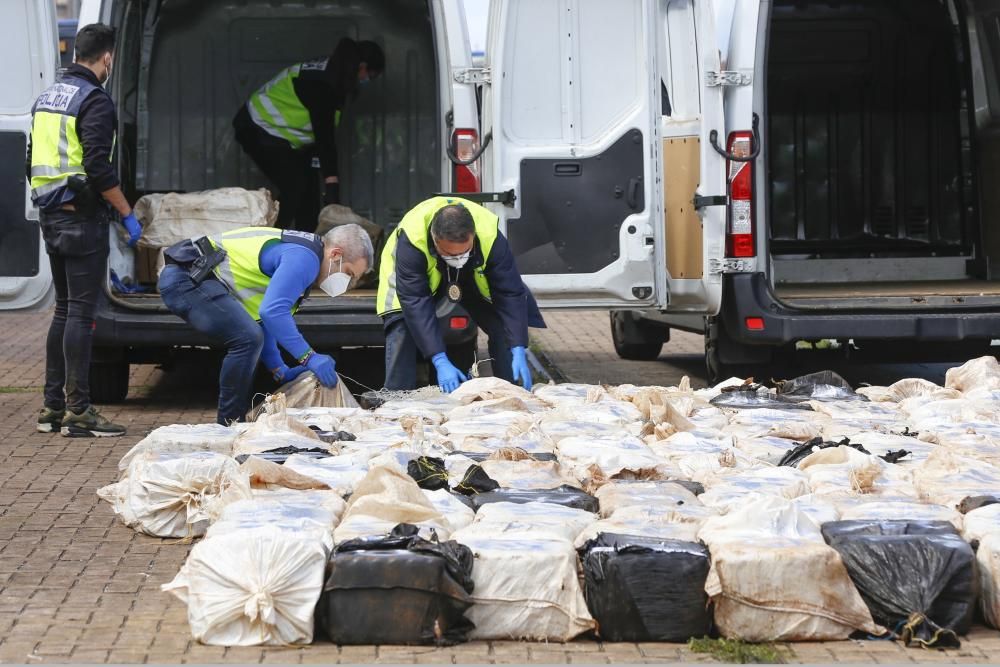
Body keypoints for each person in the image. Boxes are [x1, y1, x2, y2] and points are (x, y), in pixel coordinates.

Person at [29, 23, 143, 437]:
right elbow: (98, 164)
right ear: (107, 57)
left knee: (64, 308)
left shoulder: (49, 97)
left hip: (52, 212)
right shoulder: (94, 100)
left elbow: (32, 155)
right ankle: (79, 412)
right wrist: (127, 213)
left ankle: (52, 408)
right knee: (80, 310)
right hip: (79, 218)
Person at [158, 224, 373, 425]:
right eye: (348, 274)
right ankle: (228, 426)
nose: (348, 283)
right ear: (335, 254)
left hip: (196, 277)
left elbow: (263, 319)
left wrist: (278, 367)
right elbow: (273, 312)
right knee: (247, 339)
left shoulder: (304, 254)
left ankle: (232, 423)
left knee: (250, 335)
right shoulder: (305, 259)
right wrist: (309, 357)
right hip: (187, 277)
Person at [377, 196, 545, 393]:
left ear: (472, 236)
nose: (458, 259)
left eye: (463, 252)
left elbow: (509, 292)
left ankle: (511, 393)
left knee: (504, 326)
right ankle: (397, 402)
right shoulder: (413, 239)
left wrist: (518, 346)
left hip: (470, 277)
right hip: (418, 284)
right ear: (434, 238)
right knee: (403, 328)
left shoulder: (490, 234)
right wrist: (439, 359)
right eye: (450, 254)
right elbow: (415, 301)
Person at [233, 38, 385, 232]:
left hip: (279, 135)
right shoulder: (323, 85)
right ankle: (270, 238)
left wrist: (323, 179)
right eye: (369, 75)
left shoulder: (335, 75)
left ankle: (306, 239)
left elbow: (317, 136)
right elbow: (325, 138)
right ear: (361, 66)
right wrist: (332, 186)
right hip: (256, 126)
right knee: (294, 185)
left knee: (309, 189)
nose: (366, 81)